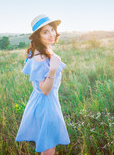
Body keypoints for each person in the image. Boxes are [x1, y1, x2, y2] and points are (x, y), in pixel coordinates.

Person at [15, 14, 70, 155]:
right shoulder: (40, 57)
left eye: (52, 29)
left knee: (49, 145)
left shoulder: (44, 51)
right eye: (45, 32)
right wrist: (52, 68)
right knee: (48, 147)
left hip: (46, 103)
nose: (51, 34)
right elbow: (45, 90)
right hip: (46, 105)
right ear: (37, 36)